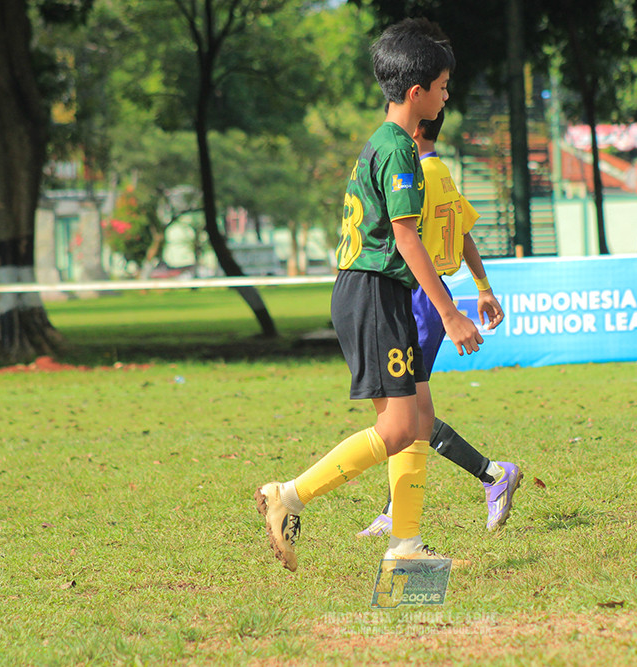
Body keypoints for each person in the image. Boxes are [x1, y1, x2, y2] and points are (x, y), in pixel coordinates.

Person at [255, 18, 483, 572]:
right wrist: (450, 313)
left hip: (377, 291)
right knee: (401, 426)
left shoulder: (383, 142)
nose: (447, 94)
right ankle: (289, 495)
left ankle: (404, 548)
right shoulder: (402, 151)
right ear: (416, 92)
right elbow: (406, 237)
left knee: (418, 418)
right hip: (374, 291)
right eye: (443, 85)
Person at [357, 109, 522, 538]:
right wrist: (483, 287)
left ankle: (491, 474)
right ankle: (401, 507)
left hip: (419, 295)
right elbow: (463, 231)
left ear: (413, 127)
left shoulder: (413, 174)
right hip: (432, 295)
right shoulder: (441, 170)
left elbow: (405, 237)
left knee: (409, 410)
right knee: (408, 407)